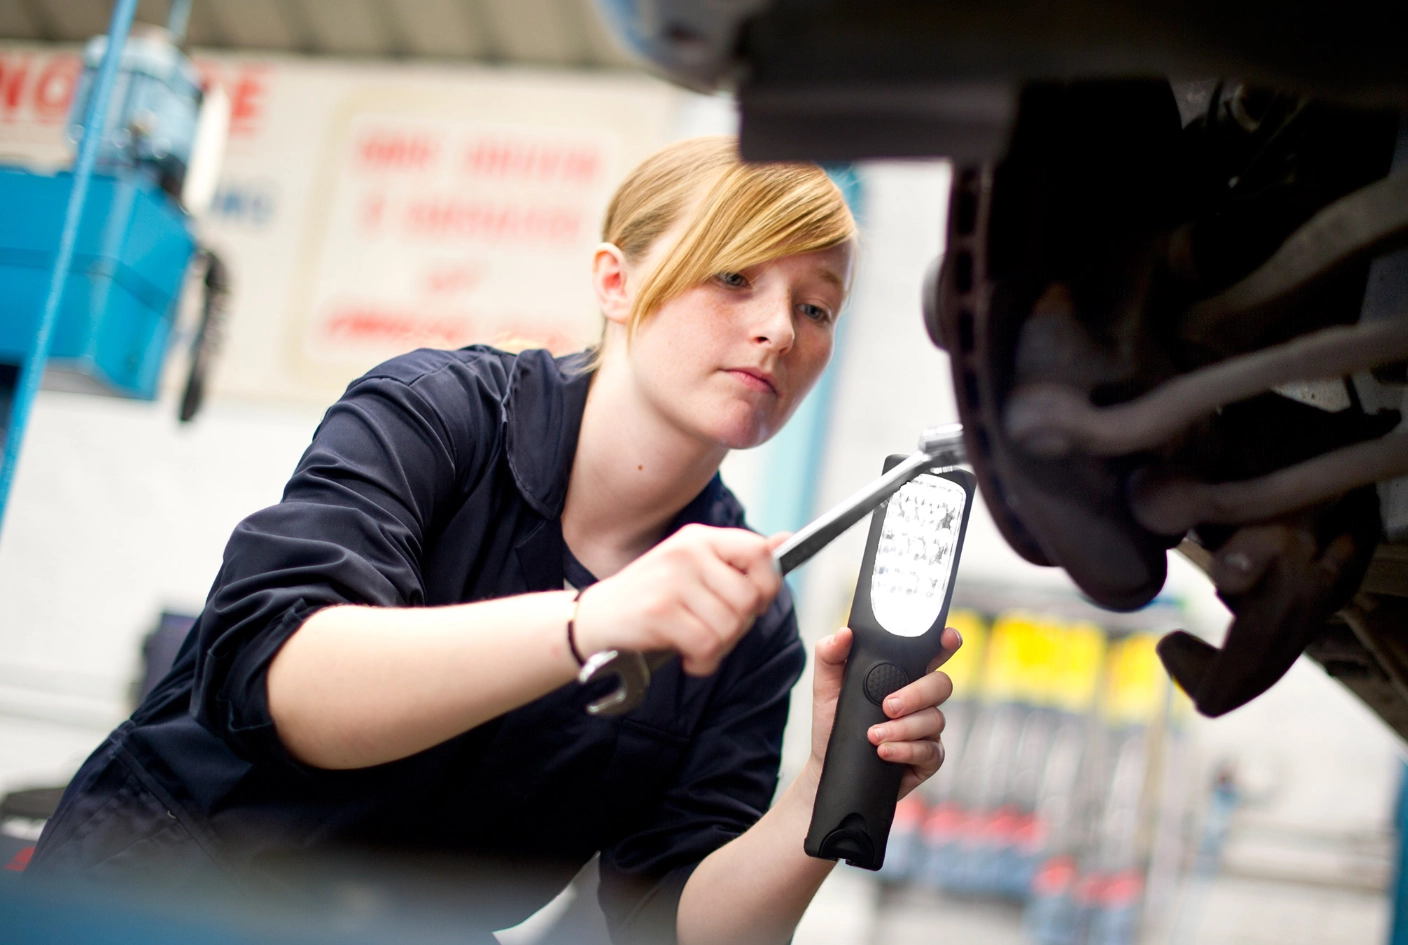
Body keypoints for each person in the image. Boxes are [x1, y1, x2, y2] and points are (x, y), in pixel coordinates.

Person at [29, 136, 961, 945]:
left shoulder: (748, 622)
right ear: (616, 281)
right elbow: (284, 686)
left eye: (816, 307)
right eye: (734, 276)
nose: (777, 330)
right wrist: (589, 621)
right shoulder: (436, 415)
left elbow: (674, 920)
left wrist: (819, 788)